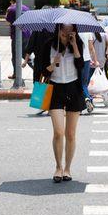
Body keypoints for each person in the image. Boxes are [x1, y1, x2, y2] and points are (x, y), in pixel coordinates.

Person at [41, 24, 85, 183]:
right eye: (63, 30)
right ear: (58, 30)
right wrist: (53, 64)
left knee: (71, 133)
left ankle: (67, 168)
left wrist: (74, 46)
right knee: (59, 132)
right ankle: (58, 167)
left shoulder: (78, 44)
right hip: (55, 89)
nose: (66, 33)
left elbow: (81, 67)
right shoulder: (49, 45)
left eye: (70, 30)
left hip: (73, 88)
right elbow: (42, 71)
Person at [5, 0, 31, 80]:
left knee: (15, 55)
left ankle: (16, 74)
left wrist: (7, 12)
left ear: (12, 0)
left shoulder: (11, 9)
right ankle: (37, 69)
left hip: (16, 35)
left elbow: (8, 22)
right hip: (27, 34)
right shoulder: (26, 8)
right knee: (25, 53)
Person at [91, 31, 108, 107]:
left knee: (90, 82)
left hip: (92, 61)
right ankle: (105, 95)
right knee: (99, 79)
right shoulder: (104, 34)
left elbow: (90, 48)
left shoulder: (91, 35)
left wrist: (94, 60)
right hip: (101, 60)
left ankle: (90, 99)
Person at [79, 30, 98, 113]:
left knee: (77, 84)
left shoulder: (73, 30)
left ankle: (85, 100)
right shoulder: (88, 32)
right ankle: (88, 99)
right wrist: (95, 60)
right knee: (84, 84)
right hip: (86, 60)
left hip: (76, 60)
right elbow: (91, 48)